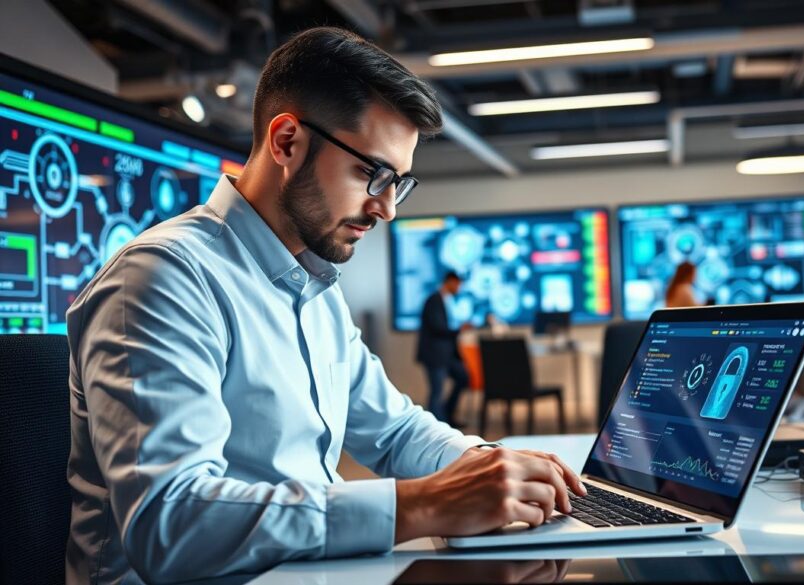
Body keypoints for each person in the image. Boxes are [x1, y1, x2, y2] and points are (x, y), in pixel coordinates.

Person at [65, 28, 584, 585]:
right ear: (287, 141)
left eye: (399, 183)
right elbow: (172, 525)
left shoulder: (316, 289)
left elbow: (394, 432)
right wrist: (422, 505)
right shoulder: (163, 279)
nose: (386, 208)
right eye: (372, 173)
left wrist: (487, 464)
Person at [417, 271, 471, 424]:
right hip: (435, 355)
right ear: (450, 282)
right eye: (458, 284)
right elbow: (437, 327)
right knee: (437, 392)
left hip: (448, 354)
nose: (459, 288)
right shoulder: (434, 300)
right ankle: (435, 427)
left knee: (463, 378)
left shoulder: (450, 300)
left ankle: (447, 416)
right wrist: (460, 329)